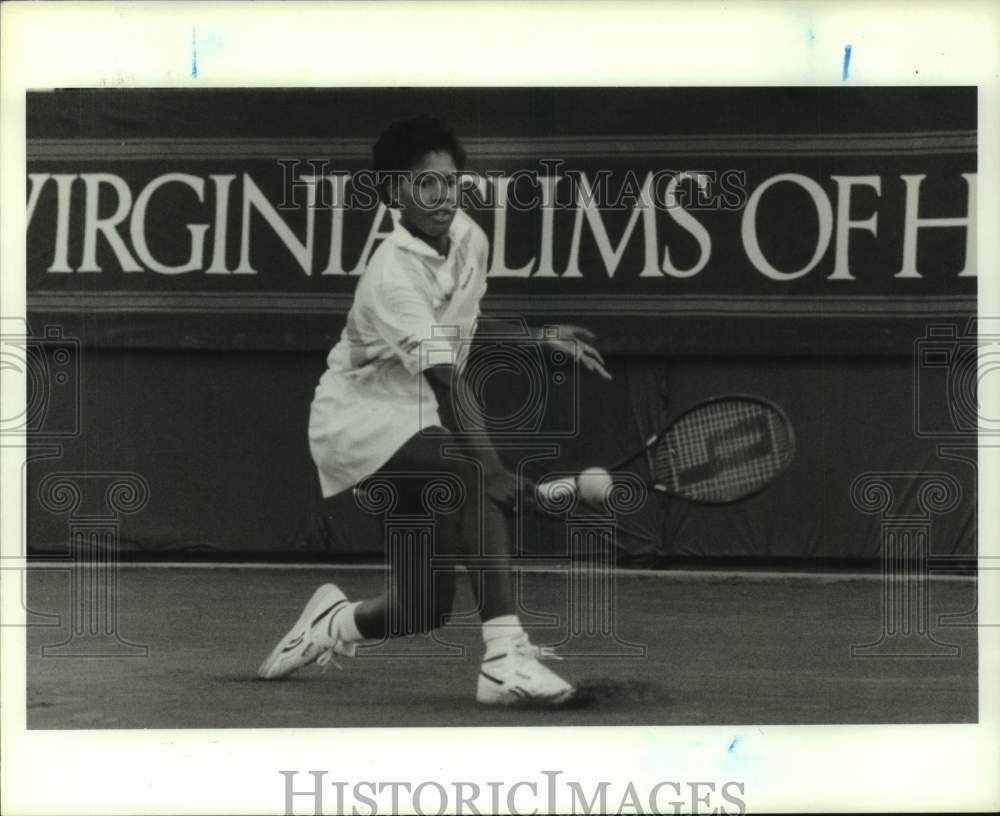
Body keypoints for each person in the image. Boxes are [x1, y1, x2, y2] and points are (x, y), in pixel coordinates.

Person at [257, 115, 610, 706]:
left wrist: (536, 335)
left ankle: (331, 623)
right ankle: (504, 659)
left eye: (452, 182)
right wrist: (494, 473)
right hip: (358, 421)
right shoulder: (390, 275)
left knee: (420, 606)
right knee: (467, 472)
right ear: (396, 190)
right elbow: (449, 379)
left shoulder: (469, 237)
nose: (444, 197)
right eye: (426, 184)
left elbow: (457, 329)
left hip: (417, 418)